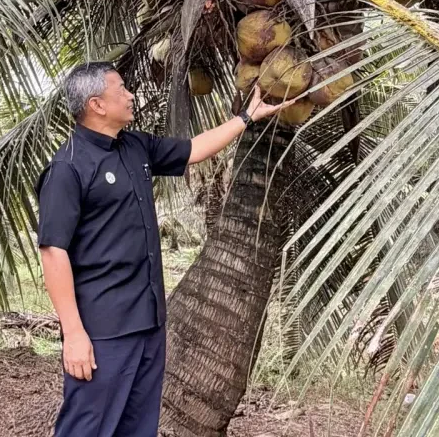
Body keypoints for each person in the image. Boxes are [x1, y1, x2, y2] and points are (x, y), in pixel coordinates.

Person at [36, 61, 288, 437]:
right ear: (96, 105)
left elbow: (193, 150)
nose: (130, 94)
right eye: (121, 88)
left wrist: (246, 118)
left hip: (148, 320)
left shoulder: (135, 145)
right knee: (86, 427)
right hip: (104, 328)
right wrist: (73, 334)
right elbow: (53, 252)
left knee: (138, 427)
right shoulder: (68, 167)